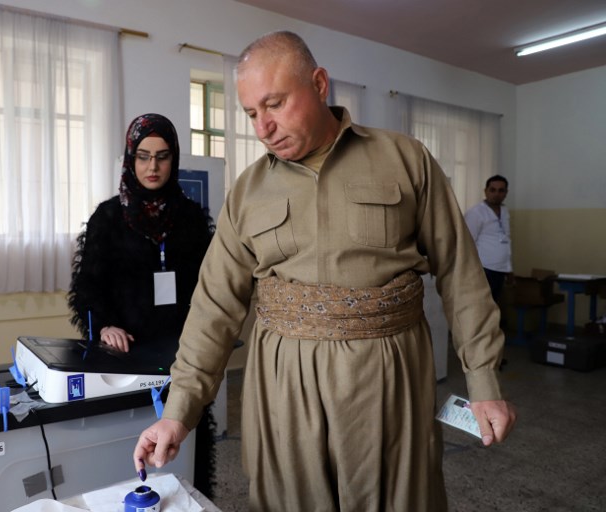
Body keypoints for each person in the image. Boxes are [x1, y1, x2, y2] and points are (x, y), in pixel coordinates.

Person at [133, 31, 516, 511]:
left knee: (398, 498)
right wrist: (178, 412)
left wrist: (483, 382)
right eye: (252, 113)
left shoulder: (404, 159)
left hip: (389, 378)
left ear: (318, 84)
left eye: (274, 104)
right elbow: (214, 304)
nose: (263, 127)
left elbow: (460, 271)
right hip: (284, 386)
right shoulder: (248, 192)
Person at [67, 113, 216, 495]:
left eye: (163, 156)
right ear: (130, 159)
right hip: (126, 351)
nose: (153, 166)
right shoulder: (108, 217)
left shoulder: (191, 218)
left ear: (175, 159)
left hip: (180, 352)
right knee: (129, 443)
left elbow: (209, 285)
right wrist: (102, 326)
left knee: (186, 440)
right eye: (144, 156)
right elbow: (86, 286)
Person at [464, 175, 513, 304]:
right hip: (483, 270)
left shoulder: (505, 211)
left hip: (500, 270)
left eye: (501, 190)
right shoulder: (476, 213)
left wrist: (509, 268)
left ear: (506, 193)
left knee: (493, 306)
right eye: (492, 190)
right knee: (480, 308)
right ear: (485, 191)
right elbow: (467, 243)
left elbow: (506, 240)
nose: (496, 194)